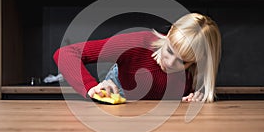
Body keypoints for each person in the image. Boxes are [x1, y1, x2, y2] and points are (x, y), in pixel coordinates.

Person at [53, 12, 221, 103]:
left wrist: (195, 95)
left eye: (183, 62)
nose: (170, 63)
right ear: (169, 33)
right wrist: (92, 87)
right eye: (169, 51)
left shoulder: (197, 69)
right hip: (121, 104)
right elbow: (65, 54)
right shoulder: (137, 43)